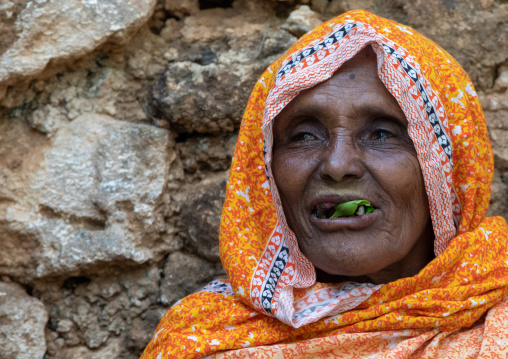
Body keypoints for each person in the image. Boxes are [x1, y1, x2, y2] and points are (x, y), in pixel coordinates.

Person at [140, 9, 508, 358]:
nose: (337, 165)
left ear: (450, 171)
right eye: (303, 136)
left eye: (381, 133)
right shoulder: (203, 339)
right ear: (263, 171)